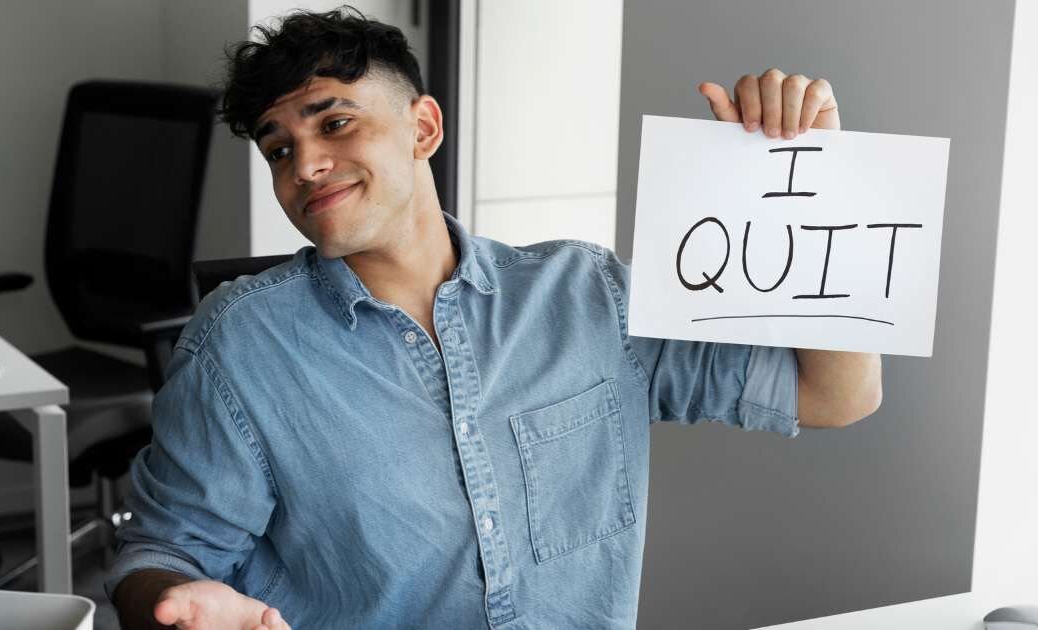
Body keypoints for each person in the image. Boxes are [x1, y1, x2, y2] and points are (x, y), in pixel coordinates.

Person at [106, 7, 882, 629]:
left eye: (334, 123)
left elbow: (835, 397)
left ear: (424, 129)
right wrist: (178, 606)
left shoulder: (588, 296)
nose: (303, 165)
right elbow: (161, 552)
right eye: (279, 148)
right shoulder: (239, 346)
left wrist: (815, 178)